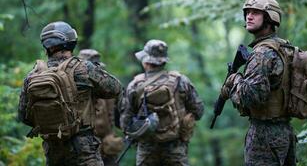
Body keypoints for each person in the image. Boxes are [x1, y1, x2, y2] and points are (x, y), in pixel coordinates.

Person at [18, 21, 123, 166]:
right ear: (70, 41)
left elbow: (23, 116)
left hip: (53, 151)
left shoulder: (33, 75)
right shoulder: (83, 68)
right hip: (84, 151)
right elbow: (116, 88)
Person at [221, 0, 297, 165]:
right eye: (247, 12)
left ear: (270, 17)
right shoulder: (284, 46)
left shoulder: (261, 53)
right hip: (285, 132)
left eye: (256, 12)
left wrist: (234, 80)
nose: (249, 16)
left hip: (264, 136)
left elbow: (252, 98)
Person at [120, 39, 204, 166]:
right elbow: (198, 111)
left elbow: (125, 122)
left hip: (146, 149)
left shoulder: (135, 85)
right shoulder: (181, 81)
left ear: (145, 61)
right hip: (176, 148)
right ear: (164, 61)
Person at [78, 49, 124, 166]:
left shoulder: (75, 88)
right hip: (99, 145)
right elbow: (121, 117)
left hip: (99, 146)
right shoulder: (109, 87)